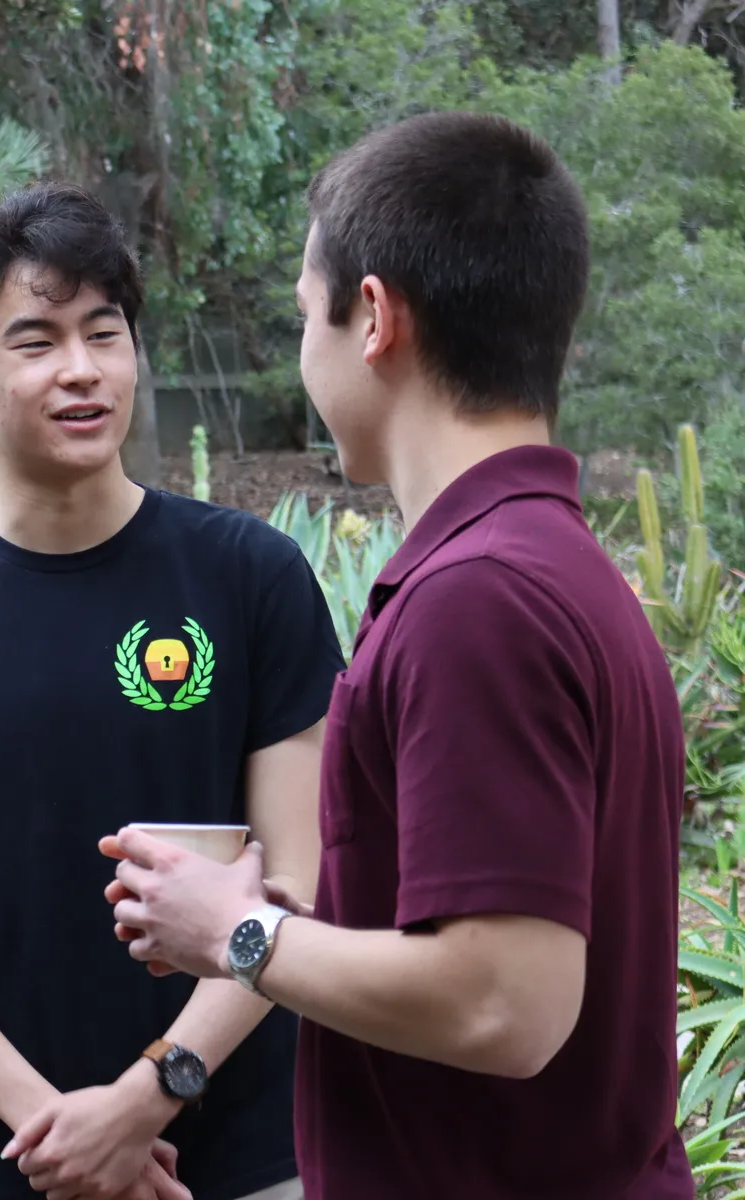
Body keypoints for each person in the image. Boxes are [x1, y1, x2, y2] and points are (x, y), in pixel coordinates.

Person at [100, 112, 696, 1198]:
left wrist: (236, 934)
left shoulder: (481, 602)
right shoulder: (550, 568)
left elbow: (504, 1003)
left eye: (301, 316)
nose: (303, 353)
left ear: (371, 315)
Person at [0, 182, 344, 1200]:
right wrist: (57, 1131)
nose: (83, 370)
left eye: (105, 332)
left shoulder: (250, 577)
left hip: (239, 1157)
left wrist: (147, 1098)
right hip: (7, 1163)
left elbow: (298, 885)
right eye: (37, 341)